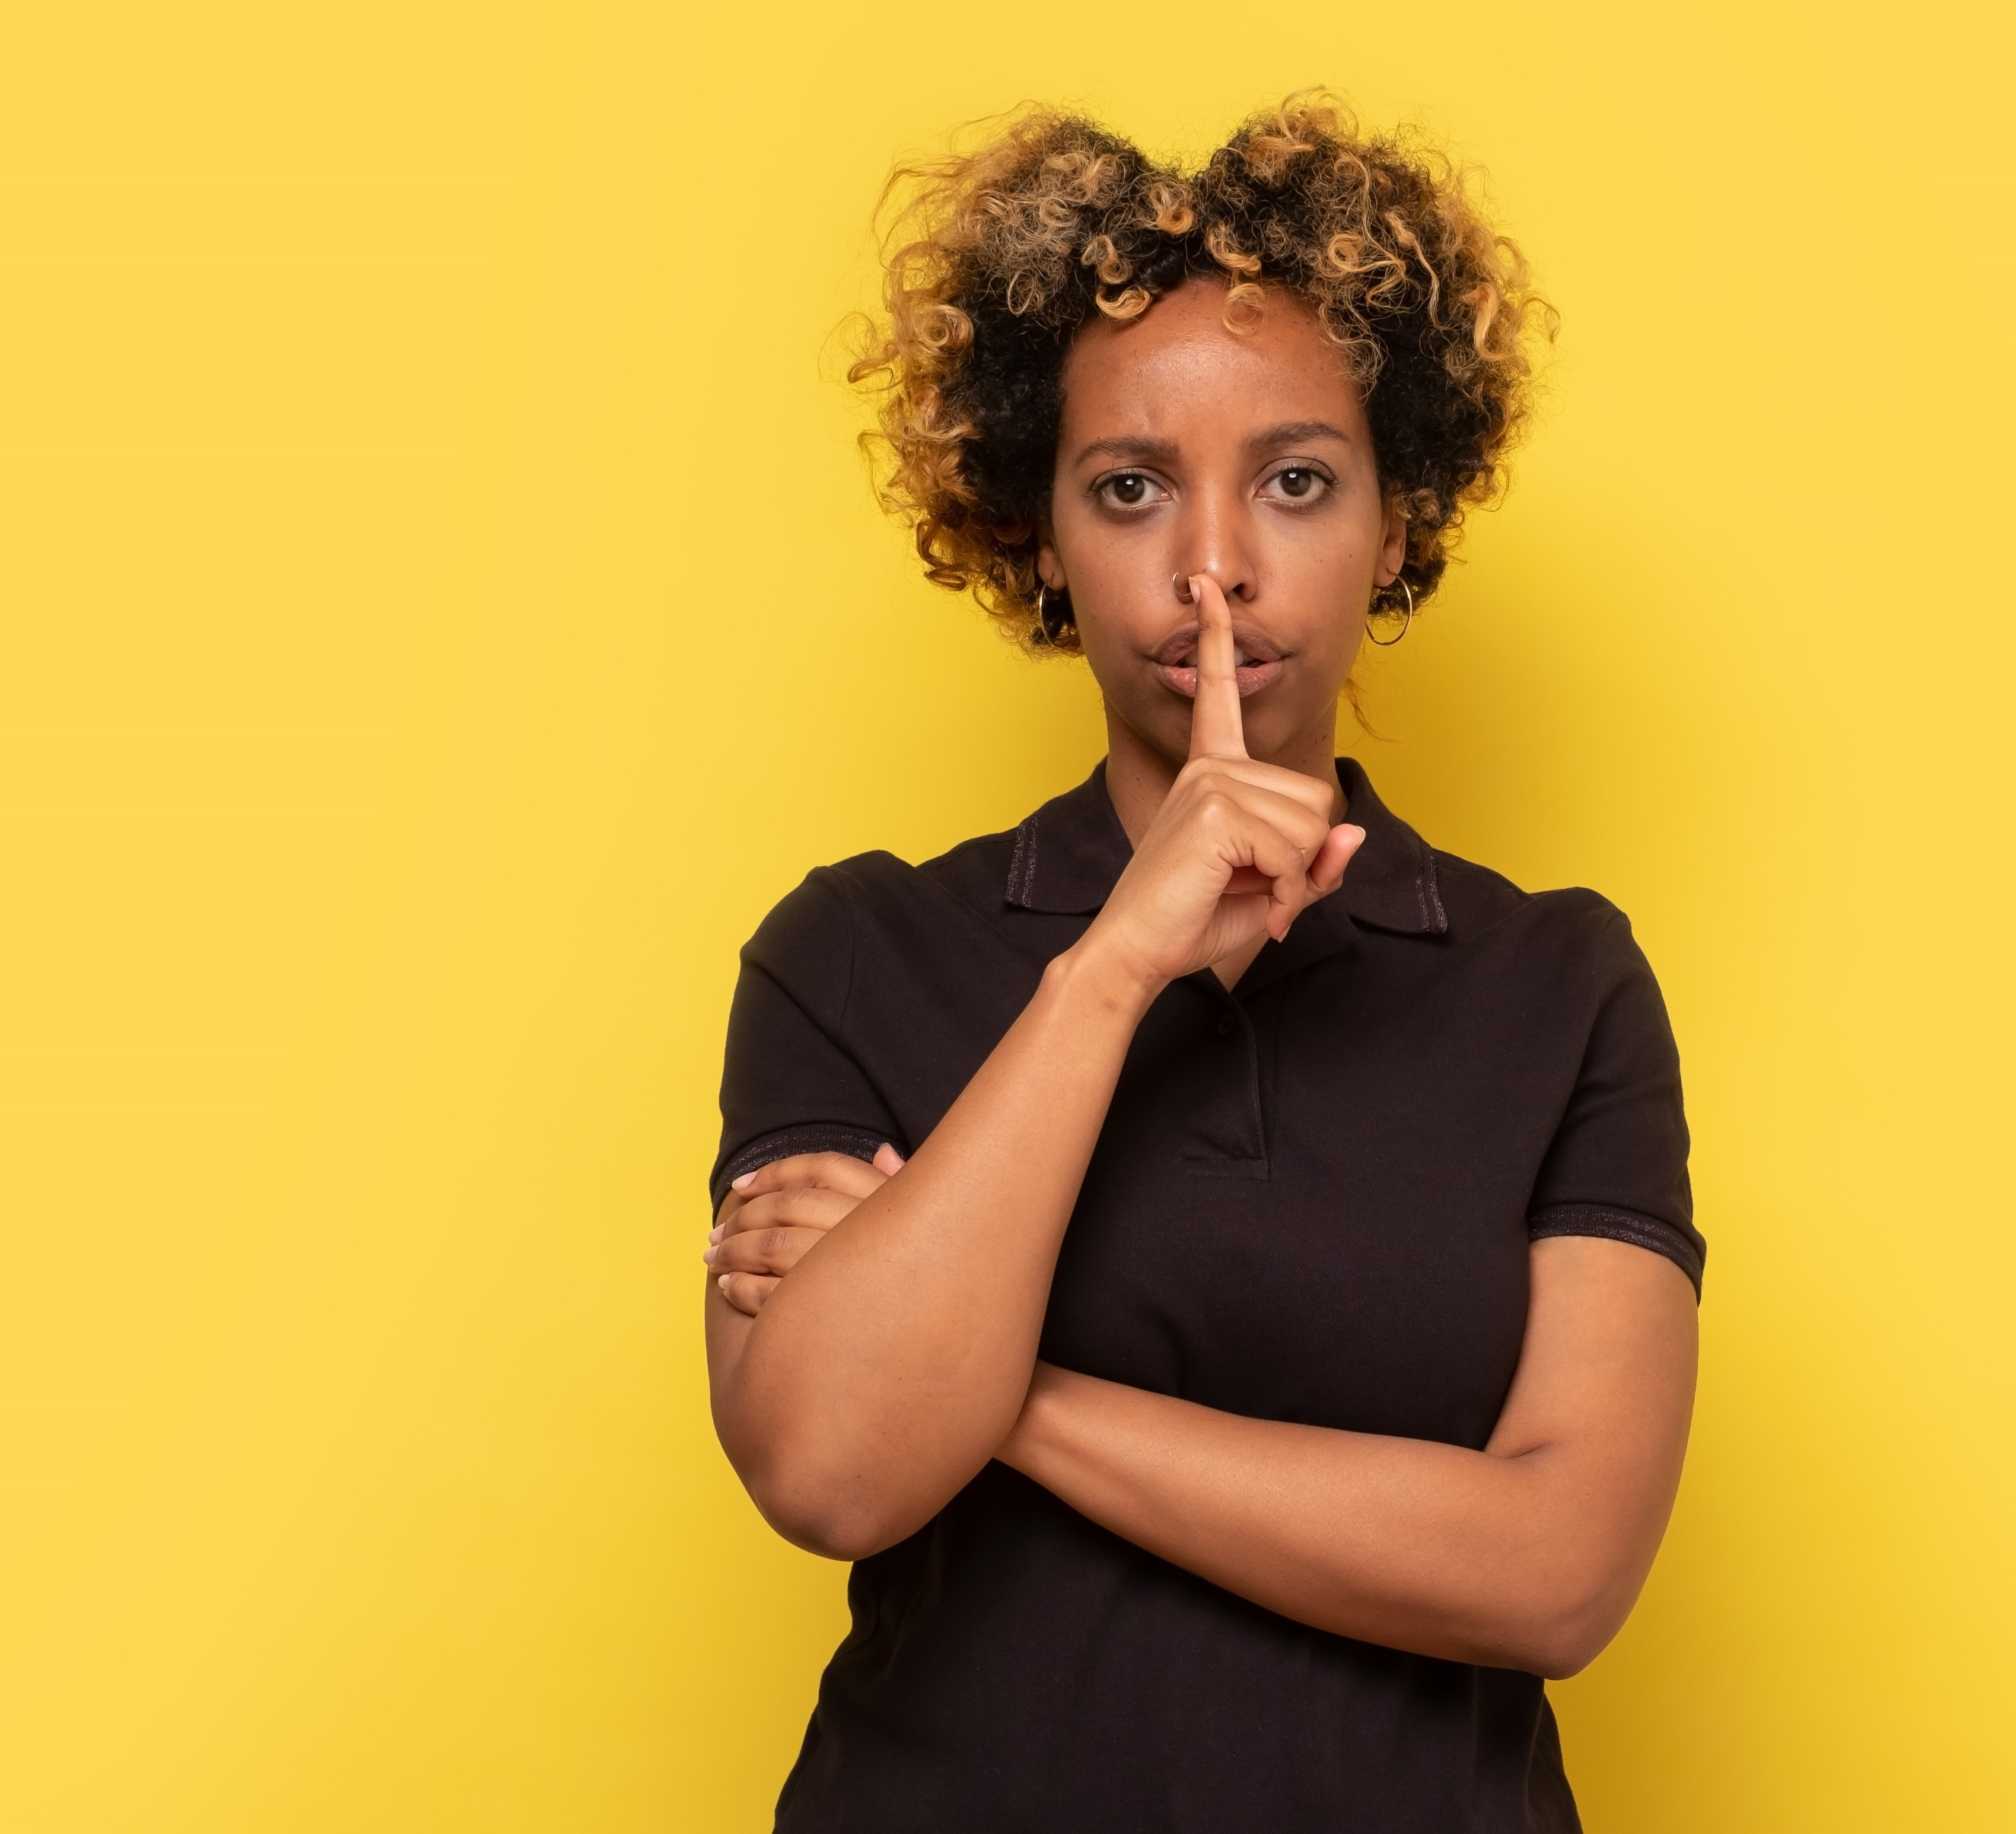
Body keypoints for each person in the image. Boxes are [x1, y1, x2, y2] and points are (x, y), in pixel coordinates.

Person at [701, 95, 1703, 1833]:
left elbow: (1555, 1573)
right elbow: (835, 1467)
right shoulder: (852, 952)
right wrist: (1112, 965)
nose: (1214, 570)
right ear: (1038, 531)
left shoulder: (1560, 984)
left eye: (1296, 480)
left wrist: (994, 1393)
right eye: (1130, 488)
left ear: (1398, 521)